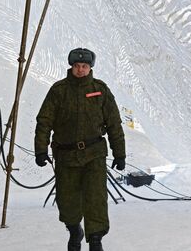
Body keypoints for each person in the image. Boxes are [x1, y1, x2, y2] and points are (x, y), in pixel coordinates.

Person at [34, 48, 126, 251]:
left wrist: (119, 153)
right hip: (66, 156)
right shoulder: (58, 91)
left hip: (94, 154)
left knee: (96, 198)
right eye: (77, 66)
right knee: (67, 201)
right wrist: (40, 149)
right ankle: (75, 230)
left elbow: (114, 124)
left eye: (84, 66)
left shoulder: (100, 90)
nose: (80, 70)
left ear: (90, 68)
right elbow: (44, 121)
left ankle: (96, 240)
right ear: (71, 67)